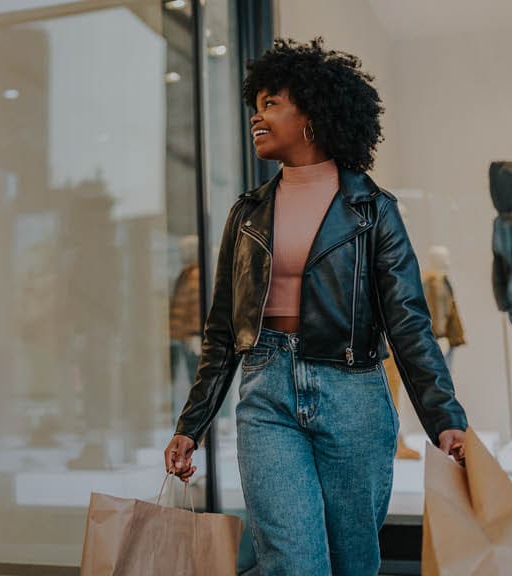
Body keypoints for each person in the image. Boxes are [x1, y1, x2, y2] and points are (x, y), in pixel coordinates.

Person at [162, 38, 469, 575]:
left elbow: (408, 321)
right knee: (292, 561)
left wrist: (444, 418)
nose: (256, 116)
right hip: (266, 393)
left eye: (272, 103)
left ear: (313, 114)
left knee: (353, 561)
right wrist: (192, 424)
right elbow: (221, 331)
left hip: (353, 394)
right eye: (255, 105)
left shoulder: (373, 210)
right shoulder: (247, 213)